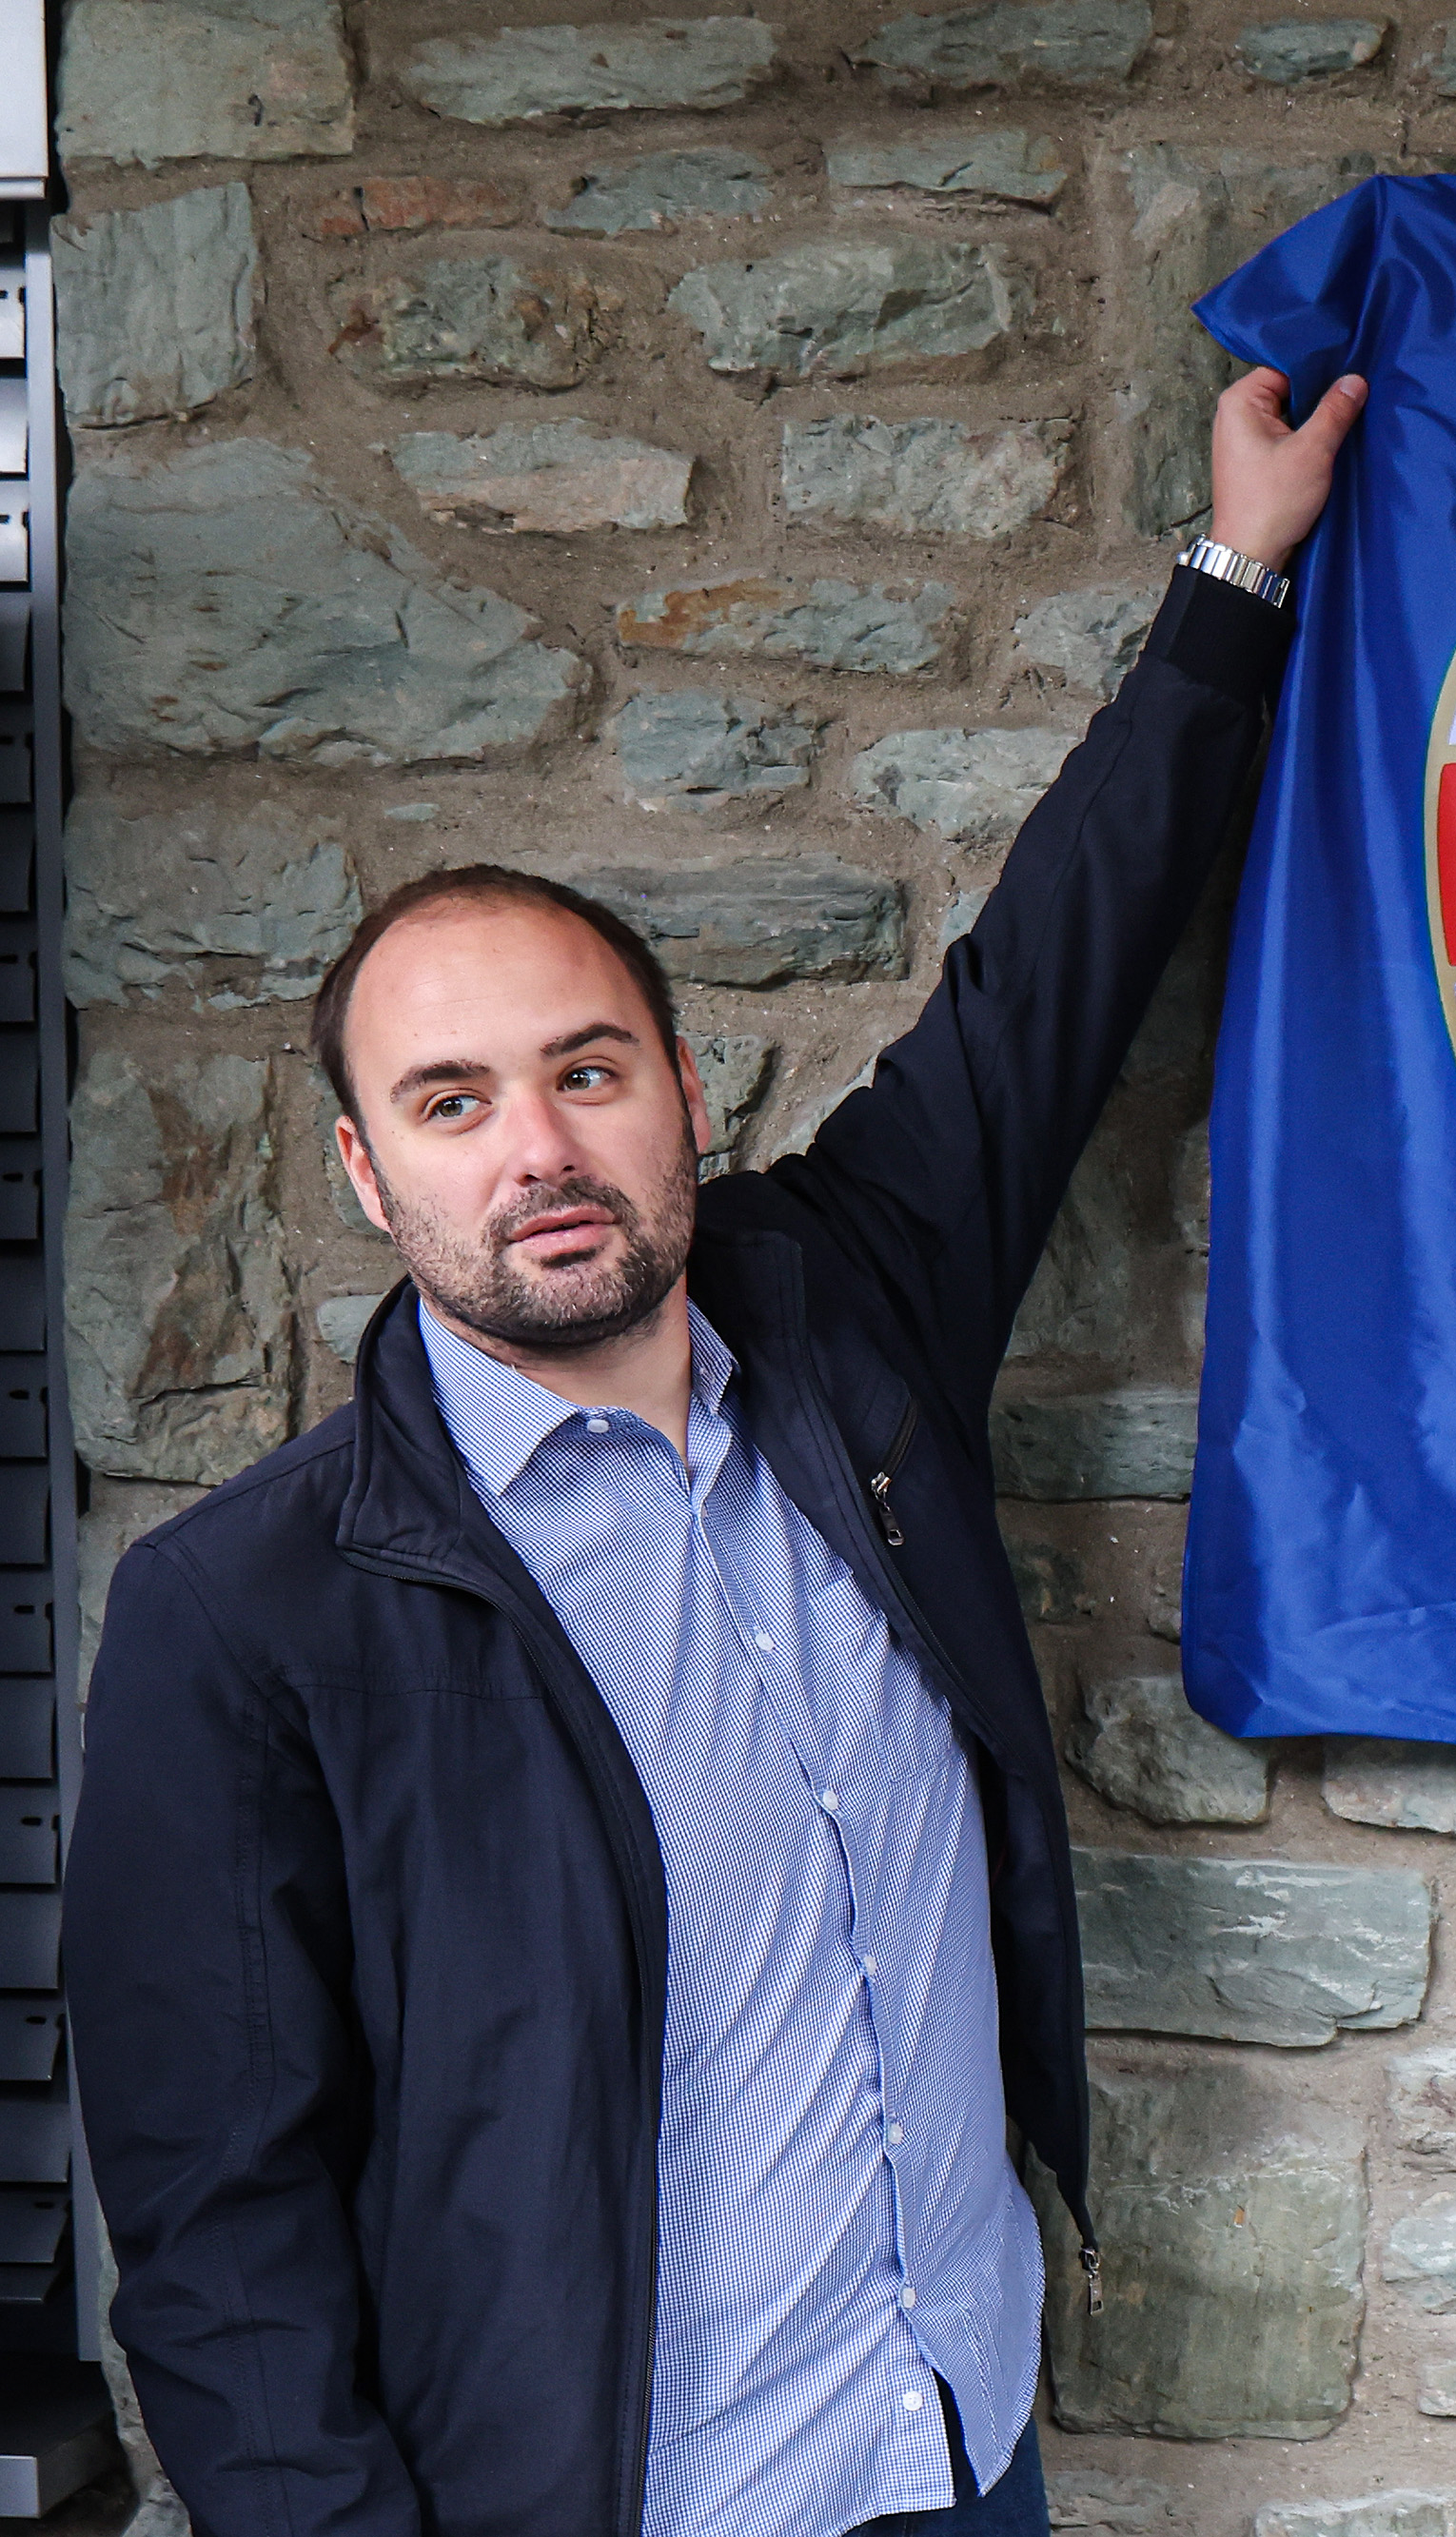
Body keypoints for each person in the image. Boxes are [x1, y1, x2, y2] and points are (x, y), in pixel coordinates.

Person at [65, 364, 1367, 2537]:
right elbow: (217, 2232)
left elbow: (1048, 980)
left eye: (586, 1071)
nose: (538, 1149)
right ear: (368, 1176)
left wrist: (1236, 569)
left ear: (684, 1088)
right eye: (453, 1102)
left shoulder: (848, 1308)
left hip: (957, 2438)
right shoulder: (248, 1614)